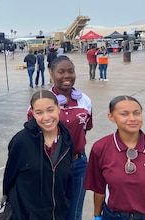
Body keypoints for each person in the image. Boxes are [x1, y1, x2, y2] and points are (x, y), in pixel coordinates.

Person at [84, 95, 145, 220]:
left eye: (137, 113)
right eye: (124, 114)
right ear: (111, 117)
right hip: (113, 216)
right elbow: (99, 188)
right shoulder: (100, 148)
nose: (132, 118)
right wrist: (97, 216)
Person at [27, 55, 93, 220]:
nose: (67, 76)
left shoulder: (84, 101)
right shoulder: (40, 103)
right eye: (61, 72)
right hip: (51, 164)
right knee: (52, 211)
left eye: (70, 71)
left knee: (75, 212)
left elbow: (85, 130)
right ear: (51, 73)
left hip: (79, 164)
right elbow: (32, 136)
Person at [4, 90, 74, 220]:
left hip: (57, 214)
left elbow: (66, 180)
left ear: (58, 109)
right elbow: (9, 179)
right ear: (32, 113)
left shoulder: (67, 140)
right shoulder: (21, 141)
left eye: (50, 110)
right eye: (39, 112)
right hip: (28, 215)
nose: (46, 117)